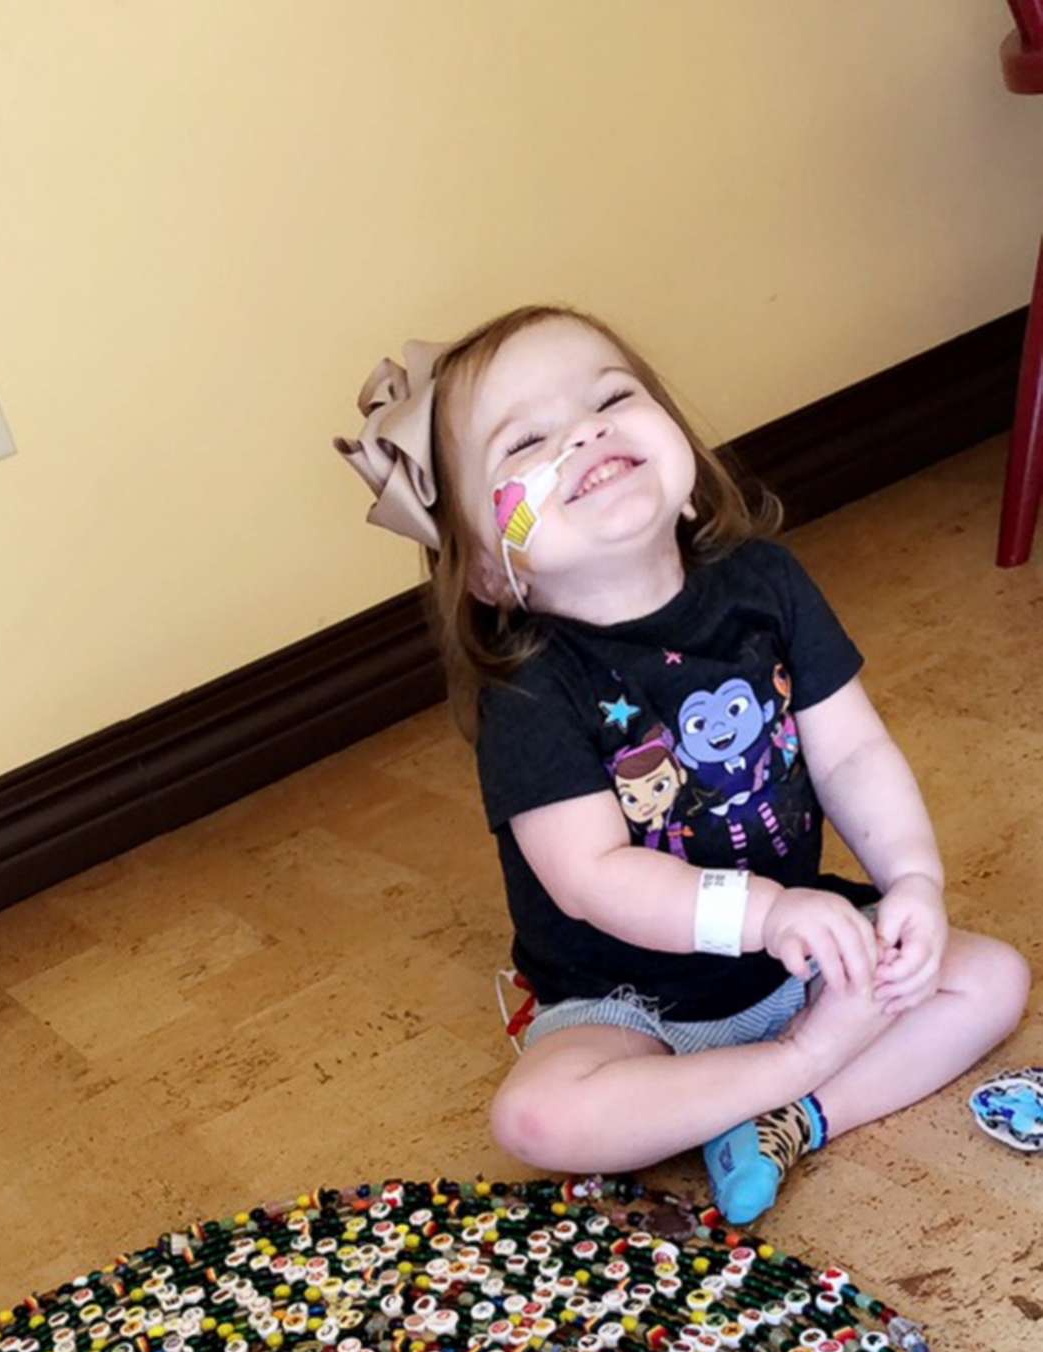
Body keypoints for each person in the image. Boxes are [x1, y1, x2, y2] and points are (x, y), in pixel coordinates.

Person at [335, 305, 1030, 1223]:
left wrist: (913, 880)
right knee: (538, 1118)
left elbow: (854, 750)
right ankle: (798, 1069)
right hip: (627, 1005)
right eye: (530, 440)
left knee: (992, 980)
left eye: (613, 398)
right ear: (491, 574)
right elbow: (593, 878)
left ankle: (797, 1120)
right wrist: (767, 915)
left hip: (797, 958)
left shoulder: (768, 587)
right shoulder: (534, 686)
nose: (586, 431)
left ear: (689, 475)